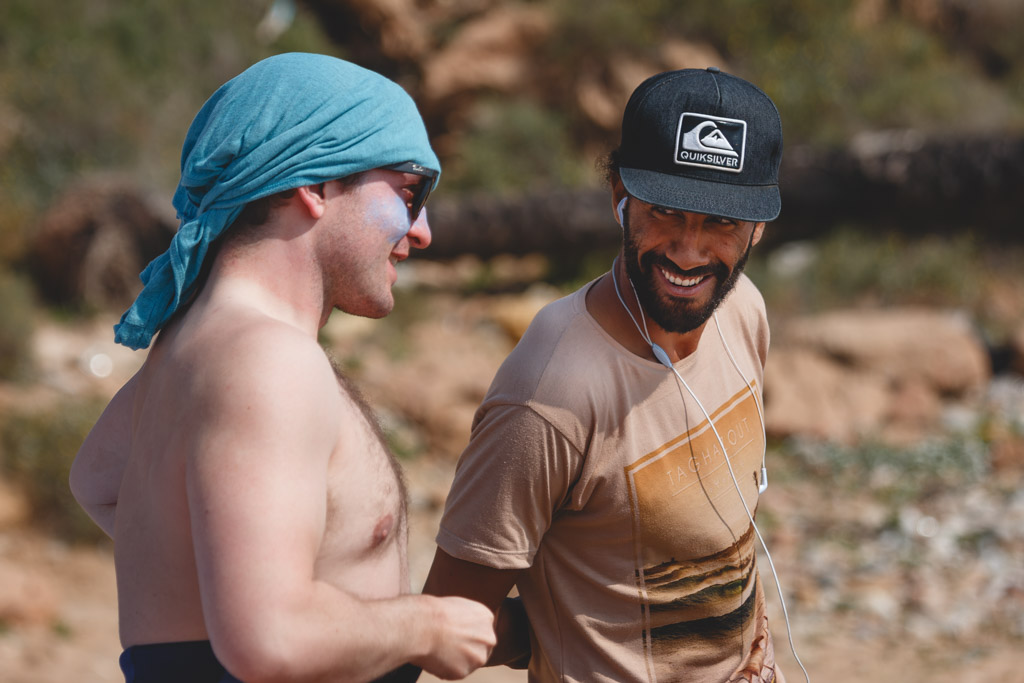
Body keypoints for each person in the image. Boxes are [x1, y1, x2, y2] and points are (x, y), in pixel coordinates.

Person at [69, 53, 496, 683]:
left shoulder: (189, 350)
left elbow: (95, 481)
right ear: (314, 185)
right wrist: (427, 626)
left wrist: (218, 571)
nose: (423, 229)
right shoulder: (267, 362)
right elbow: (269, 640)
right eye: (410, 192)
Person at [422, 67, 796, 682]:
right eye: (666, 212)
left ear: (758, 224)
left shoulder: (744, 312)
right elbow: (447, 618)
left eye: (721, 222)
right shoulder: (551, 393)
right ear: (618, 193)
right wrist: (559, 630)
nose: (687, 249)